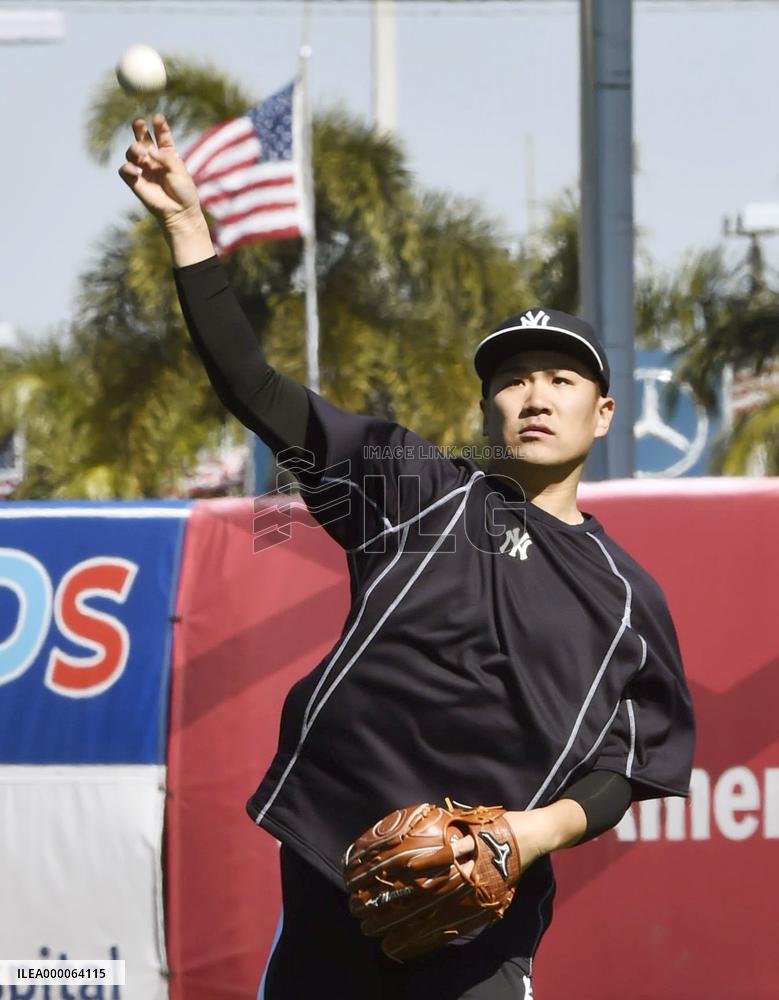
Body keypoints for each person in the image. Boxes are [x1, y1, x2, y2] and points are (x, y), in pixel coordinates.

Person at [120, 115, 695, 1000]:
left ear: (603, 413)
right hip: (329, 877)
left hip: (476, 934)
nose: (534, 397)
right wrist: (188, 227)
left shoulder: (625, 600)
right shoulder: (415, 488)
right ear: (487, 408)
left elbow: (623, 769)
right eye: (511, 379)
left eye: (560, 379)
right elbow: (257, 390)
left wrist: (526, 836)